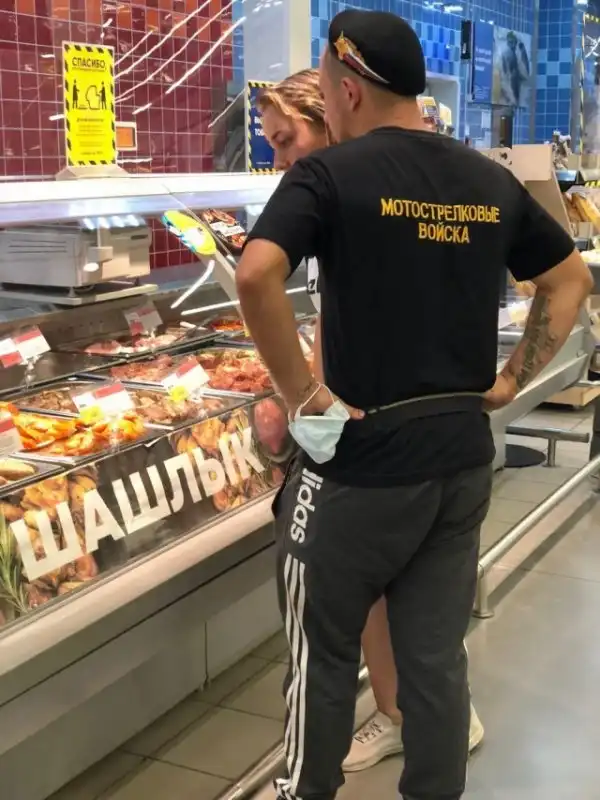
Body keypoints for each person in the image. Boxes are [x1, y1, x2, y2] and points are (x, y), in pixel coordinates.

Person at [236, 10, 592, 800]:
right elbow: (570, 279)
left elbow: (256, 273)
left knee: (322, 653)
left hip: (360, 468)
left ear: (347, 90)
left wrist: (304, 394)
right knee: (434, 659)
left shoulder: (329, 175)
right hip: (460, 461)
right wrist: (511, 380)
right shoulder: (485, 178)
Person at [256, 68, 484, 773]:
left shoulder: (343, 194)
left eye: (285, 139)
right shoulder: (364, 196)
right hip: (436, 441)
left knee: (332, 631)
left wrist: (304, 399)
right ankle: (409, 715)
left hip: (374, 449)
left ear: (332, 114)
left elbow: (258, 280)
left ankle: (383, 729)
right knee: (413, 607)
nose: (278, 159)